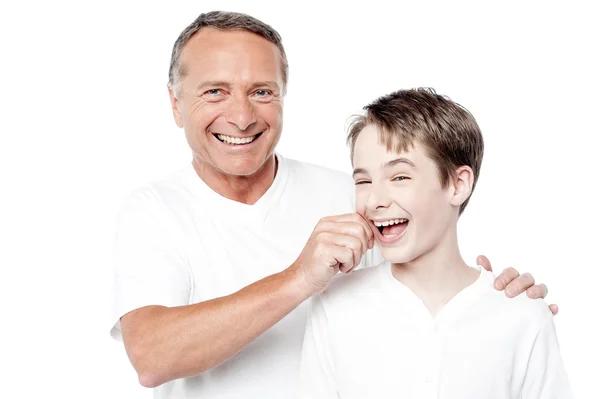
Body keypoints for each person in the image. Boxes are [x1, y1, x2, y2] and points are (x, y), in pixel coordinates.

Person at [109, 11, 555, 398]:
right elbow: (151, 356)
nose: (242, 117)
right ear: (174, 103)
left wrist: (500, 311)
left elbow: (428, 284)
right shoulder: (154, 211)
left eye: (262, 92)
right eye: (215, 92)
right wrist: (299, 279)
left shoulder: (355, 196)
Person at [297, 88, 572, 398]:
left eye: (399, 177)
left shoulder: (521, 315)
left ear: (458, 184)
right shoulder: (335, 305)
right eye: (363, 181)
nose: (374, 200)